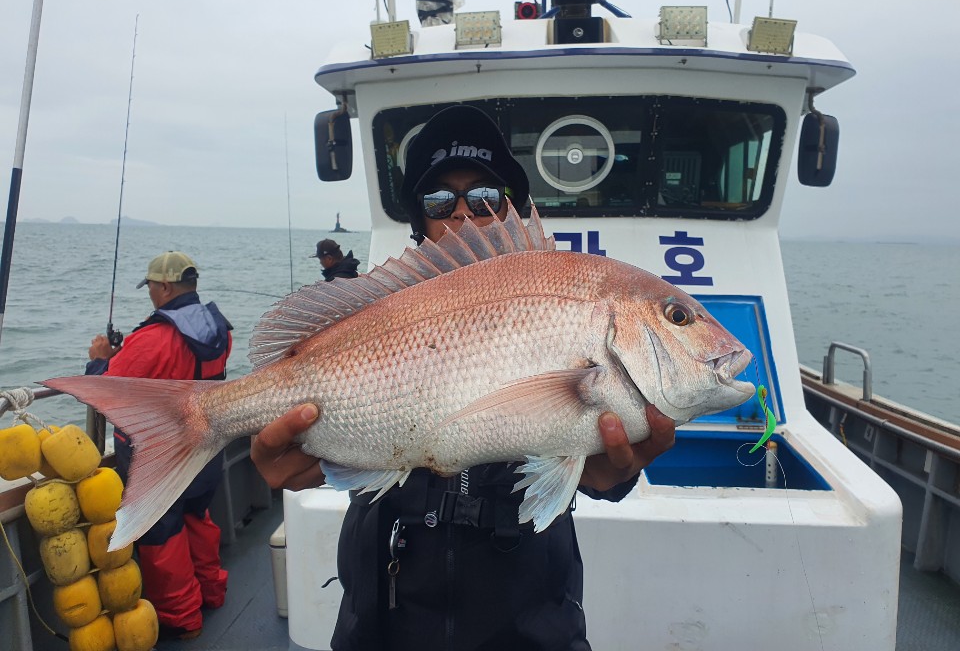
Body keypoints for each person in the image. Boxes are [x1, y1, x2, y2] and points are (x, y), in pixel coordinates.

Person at [251, 106, 676, 650]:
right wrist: (306, 459)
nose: (461, 213)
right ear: (419, 219)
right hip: (383, 623)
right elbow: (343, 443)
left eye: (484, 197)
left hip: (527, 627)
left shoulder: (562, 301)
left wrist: (610, 476)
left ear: (512, 210)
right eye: (437, 200)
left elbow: (589, 456)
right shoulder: (378, 311)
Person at [86, 251, 233, 641]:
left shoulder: (153, 337)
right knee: (197, 517)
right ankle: (212, 592)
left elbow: (107, 388)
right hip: (204, 446)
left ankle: (182, 619)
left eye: (151, 286)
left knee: (161, 534)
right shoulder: (220, 329)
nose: (150, 292)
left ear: (165, 287)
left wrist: (99, 360)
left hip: (160, 454)